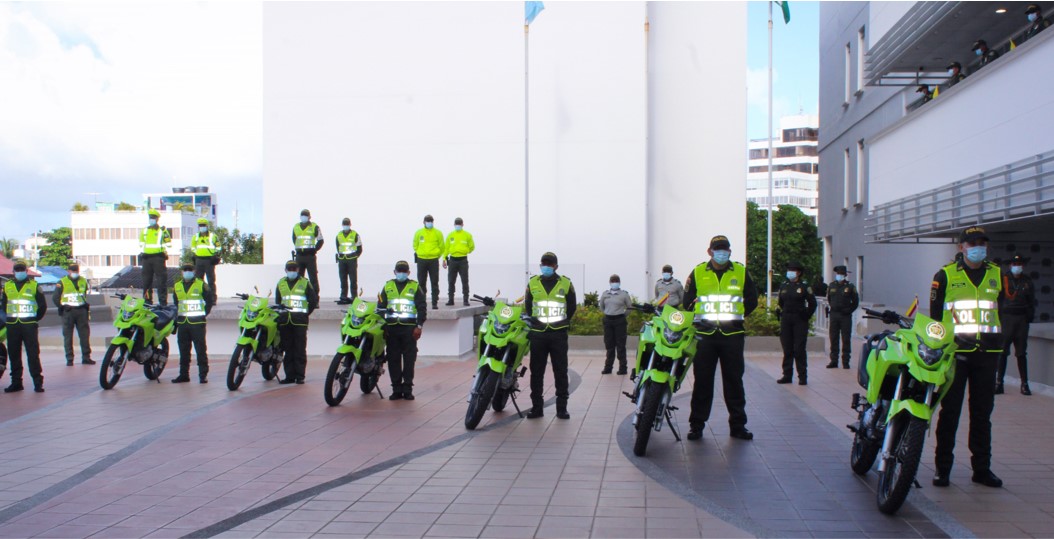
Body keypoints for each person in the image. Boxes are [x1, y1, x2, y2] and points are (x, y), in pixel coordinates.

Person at [930, 226, 1003, 488]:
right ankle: (942, 469)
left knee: (982, 414)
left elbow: (1001, 312)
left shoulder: (996, 274)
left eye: (982, 243)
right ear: (961, 247)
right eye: (972, 243)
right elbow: (936, 319)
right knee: (950, 413)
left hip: (988, 353)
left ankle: (981, 469)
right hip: (955, 354)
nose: (978, 247)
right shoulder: (946, 275)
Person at [682, 235, 758, 441]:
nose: (721, 253)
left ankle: (738, 425)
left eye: (725, 249)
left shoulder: (741, 272)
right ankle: (696, 425)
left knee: (734, 381)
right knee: (702, 383)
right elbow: (687, 301)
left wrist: (737, 318)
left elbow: (752, 300)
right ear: (710, 251)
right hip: (705, 336)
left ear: (730, 252)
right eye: (718, 249)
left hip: (732, 335)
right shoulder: (698, 272)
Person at [524, 252, 577, 419]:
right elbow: (528, 305)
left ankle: (562, 408)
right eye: (544, 263)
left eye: (550, 264)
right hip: (538, 334)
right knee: (536, 372)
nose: (546, 266)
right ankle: (536, 408)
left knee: (560, 372)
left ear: (556, 266)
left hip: (558, 334)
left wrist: (561, 322)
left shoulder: (566, 283)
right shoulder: (532, 283)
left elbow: (572, 306)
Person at [378, 260, 427, 400]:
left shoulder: (415, 287)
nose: (401, 273)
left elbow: (422, 308)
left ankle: (407, 389)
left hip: (409, 329)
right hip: (391, 328)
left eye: (404, 271)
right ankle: (396, 389)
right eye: (399, 271)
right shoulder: (388, 286)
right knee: (393, 359)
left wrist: (419, 326)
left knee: (409, 359)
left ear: (409, 273)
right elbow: (380, 307)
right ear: (394, 272)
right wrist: (383, 326)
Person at [1, 262, 47, 392]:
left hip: (29, 325)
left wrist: (34, 319)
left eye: (22, 269)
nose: (19, 271)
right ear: (13, 271)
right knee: (14, 354)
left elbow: (42, 306)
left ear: (26, 271)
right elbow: (4, 305)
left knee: (33, 354)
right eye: (17, 269)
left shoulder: (34, 285)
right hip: (12, 324)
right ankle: (16, 382)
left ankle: (37, 382)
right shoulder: (8, 286)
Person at [996, 254, 1036, 396]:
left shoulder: (1027, 281)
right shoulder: (1003, 279)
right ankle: (999, 383)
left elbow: (1031, 301)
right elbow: (998, 300)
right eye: (1014, 264)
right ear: (1010, 265)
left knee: (1021, 353)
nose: (1016, 266)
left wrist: (1028, 318)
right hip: (1006, 319)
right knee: (1002, 352)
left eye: (1019, 264)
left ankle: (1024, 384)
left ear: (1022, 266)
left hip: (1021, 320)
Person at [275, 260, 319, 384]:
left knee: (299, 349)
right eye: (290, 269)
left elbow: (313, 300)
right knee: (288, 349)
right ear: (286, 270)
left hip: (300, 321)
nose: (292, 271)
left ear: (298, 270)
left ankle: (300, 376)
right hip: (285, 320)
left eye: (294, 269)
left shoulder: (305, 283)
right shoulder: (281, 283)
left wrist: (305, 313)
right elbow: (279, 301)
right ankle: (289, 376)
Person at [171, 263, 215, 383]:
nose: (187, 272)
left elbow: (209, 301)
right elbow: (177, 303)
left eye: (189, 270)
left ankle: (203, 375)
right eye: (185, 270)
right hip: (183, 323)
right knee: (183, 350)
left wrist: (203, 314)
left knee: (200, 349)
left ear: (194, 271)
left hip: (197, 323)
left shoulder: (201, 284)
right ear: (182, 272)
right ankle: (184, 375)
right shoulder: (177, 286)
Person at [777, 260, 816, 385]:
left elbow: (812, 303)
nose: (790, 272)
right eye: (789, 270)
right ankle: (787, 375)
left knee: (799, 349)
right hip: (786, 318)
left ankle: (802, 376)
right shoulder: (784, 285)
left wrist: (806, 315)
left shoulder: (804, 286)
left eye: (793, 270)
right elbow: (781, 302)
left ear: (798, 272)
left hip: (800, 319)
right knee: (787, 348)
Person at [52, 262, 94, 366]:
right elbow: (55, 297)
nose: (75, 273)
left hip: (81, 311)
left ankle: (86, 357)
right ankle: (69, 359)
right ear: (69, 271)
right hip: (68, 311)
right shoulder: (62, 282)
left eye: (76, 271)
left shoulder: (83, 281)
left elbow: (84, 294)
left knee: (84, 335)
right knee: (68, 336)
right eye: (73, 271)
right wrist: (61, 306)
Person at [825, 265, 859, 369]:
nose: (839, 275)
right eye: (837, 274)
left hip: (845, 316)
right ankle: (834, 360)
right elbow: (829, 299)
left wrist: (849, 310)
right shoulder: (831, 285)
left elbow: (855, 302)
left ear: (845, 275)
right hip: (834, 314)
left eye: (841, 274)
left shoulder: (850, 286)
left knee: (846, 338)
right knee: (833, 337)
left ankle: (846, 361)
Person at [599, 274, 631, 375]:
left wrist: (622, 315)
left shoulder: (624, 294)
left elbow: (629, 307)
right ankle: (608, 368)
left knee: (621, 345)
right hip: (608, 321)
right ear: (610, 282)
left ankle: (623, 368)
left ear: (619, 282)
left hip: (620, 321)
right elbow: (601, 306)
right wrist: (608, 313)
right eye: (613, 281)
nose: (614, 283)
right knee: (609, 345)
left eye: (616, 281)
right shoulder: (605, 294)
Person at [139, 208, 172, 306]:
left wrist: (165, 232)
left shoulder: (162, 230)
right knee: (146, 282)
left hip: (158, 258)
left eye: (153, 217)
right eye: (150, 217)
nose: (151, 219)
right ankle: (147, 301)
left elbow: (169, 244)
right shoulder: (144, 231)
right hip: (146, 258)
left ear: (157, 219)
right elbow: (141, 244)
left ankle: (162, 302)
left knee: (161, 281)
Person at [413, 214, 445, 310]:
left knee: (434, 282)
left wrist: (436, 255)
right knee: (421, 283)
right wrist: (419, 253)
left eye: (431, 221)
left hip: (433, 260)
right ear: (423, 222)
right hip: (421, 260)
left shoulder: (438, 233)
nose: (429, 222)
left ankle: (434, 302)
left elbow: (442, 247)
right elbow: (415, 244)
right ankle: (422, 303)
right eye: (428, 221)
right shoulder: (419, 233)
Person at [444, 217, 475, 306]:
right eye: (456, 224)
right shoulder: (450, 235)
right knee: (451, 281)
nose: (458, 226)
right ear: (454, 225)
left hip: (463, 260)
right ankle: (450, 300)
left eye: (459, 224)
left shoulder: (467, 235)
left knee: (464, 280)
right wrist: (444, 258)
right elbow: (446, 248)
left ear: (462, 224)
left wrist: (465, 251)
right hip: (452, 259)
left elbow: (472, 247)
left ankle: (465, 300)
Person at [292, 209, 324, 294]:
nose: (304, 217)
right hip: (299, 256)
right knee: (298, 278)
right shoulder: (296, 227)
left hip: (310, 256)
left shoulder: (314, 226)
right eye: (302, 215)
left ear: (309, 217)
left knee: (313, 278)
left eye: (305, 215)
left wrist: (315, 249)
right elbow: (294, 239)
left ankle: (315, 299)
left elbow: (321, 240)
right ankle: (300, 296)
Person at [335, 217, 363, 305]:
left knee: (353, 279)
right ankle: (343, 296)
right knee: (343, 279)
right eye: (344, 224)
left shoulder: (355, 235)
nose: (346, 226)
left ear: (350, 225)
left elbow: (359, 248)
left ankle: (354, 297)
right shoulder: (338, 235)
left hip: (352, 260)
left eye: (347, 224)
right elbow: (338, 247)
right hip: (342, 260)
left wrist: (355, 257)